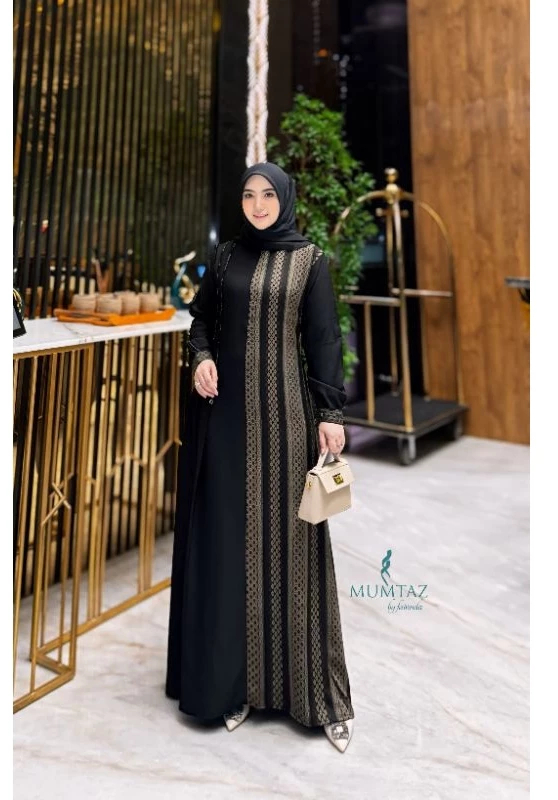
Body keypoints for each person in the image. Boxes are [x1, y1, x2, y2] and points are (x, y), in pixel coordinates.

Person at [165, 162, 355, 753]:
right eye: (248, 195)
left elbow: (323, 339)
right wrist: (200, 357)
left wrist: (330, 412)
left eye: (268, 194)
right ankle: (235, 686)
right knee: (231, 548)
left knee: (295, 547)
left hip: (288, 421)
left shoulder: (310, 261)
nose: (257, 204)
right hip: (226, 422)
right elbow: (201, 321)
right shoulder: (225, 258)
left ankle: (315, 696)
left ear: (285, 198)